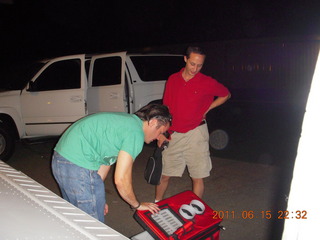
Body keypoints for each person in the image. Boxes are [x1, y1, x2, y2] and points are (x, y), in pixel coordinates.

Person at [51, 104, 172, 222]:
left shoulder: (127, 122)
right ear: (153, 122)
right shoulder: (136, 133)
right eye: (161, 132)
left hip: (61, 161)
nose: (158, 138)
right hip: (78, 167)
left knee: (76, 216)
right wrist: (137, 205)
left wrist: (97, 197)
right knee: (92, 225)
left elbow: (106, 161)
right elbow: (121, 180)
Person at [155, 46, 231, 201]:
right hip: (174, 134)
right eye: (192, 64)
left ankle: (195, 211)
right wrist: (161, 133)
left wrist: (207, 108)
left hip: (197, 133)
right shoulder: (173, 79)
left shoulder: (207, 82)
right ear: (185, 59)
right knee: (164, 175)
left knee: (197, 176)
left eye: (199, 65)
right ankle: (157, 205)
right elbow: (166, 108)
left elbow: (226, 94)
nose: (195, 68)